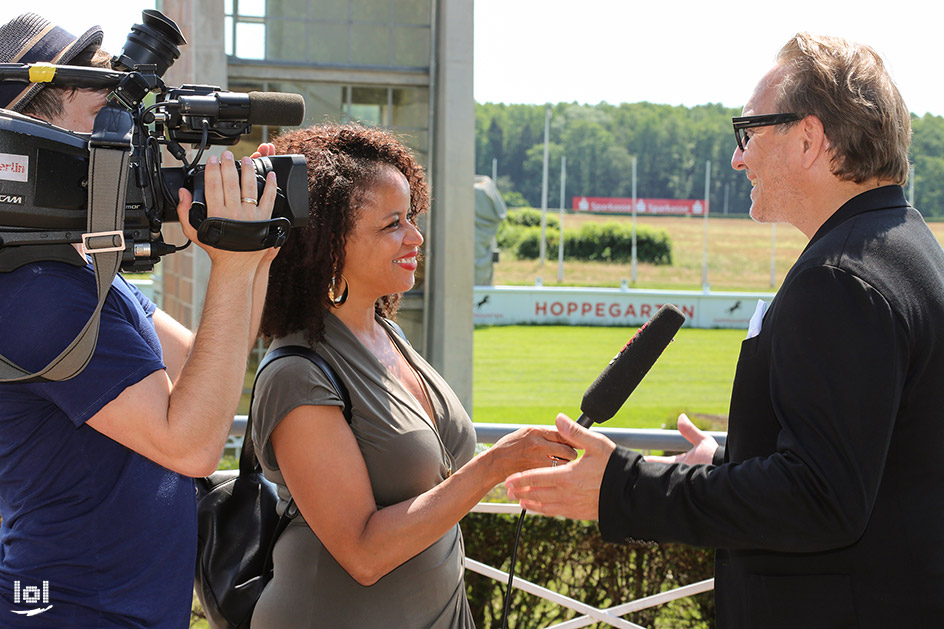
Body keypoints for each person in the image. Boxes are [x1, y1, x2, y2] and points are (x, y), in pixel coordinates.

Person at [505, 32, 944, 628]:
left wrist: (622, 487)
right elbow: (871, 456)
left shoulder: (839, 277)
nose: (738, 158)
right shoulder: (908, 247)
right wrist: (732, 460)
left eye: (748, 132)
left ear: (809, 139)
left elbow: (820, 498)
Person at [0, 13, 280, 625]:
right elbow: (192, 445)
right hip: (71, 609)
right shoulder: (38, 295)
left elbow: (203, 367)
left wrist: (254, 251)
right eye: (99, 109)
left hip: (125, 607)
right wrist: (233, 270)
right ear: (27, 137)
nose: (119, 133)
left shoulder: (80, 273)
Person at [250, 122, 575, 628]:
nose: (415, 237)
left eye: (412, 217)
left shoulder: (386, 333)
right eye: (392, 224)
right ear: (327, 244)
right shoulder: (296, 373)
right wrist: (493, 467)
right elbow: (362, 554)